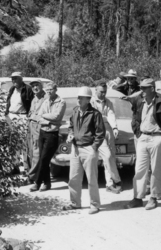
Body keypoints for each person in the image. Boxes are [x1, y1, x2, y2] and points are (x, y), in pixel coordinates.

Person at [126, 78, 161, 210]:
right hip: (143, 137)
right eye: (141, 88)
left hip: (157, 138)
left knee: (155, 169)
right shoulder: (139, 102)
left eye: (144, 88)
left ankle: (154, 197)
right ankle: (137, 198)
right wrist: (138, 133)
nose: (141, 90)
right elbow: (135, 118)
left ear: (152, 89)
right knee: (140, 169)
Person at [64, 86, 106, 214]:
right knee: (73, 178)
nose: (78, 99)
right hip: (76, 148)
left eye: (81, 97)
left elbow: (101, 133)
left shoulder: (95, 114)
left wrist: (94, 148)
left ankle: (94, 204)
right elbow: (71, 126)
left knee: (92, 179)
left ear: (88, 99)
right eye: (78, 97)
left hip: (89, 148)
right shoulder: (75, 111)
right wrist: (71, 134)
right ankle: (75, 203)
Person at [30, 82, 66, 193]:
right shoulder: (45, 101)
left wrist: (44, 117)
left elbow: (57, 116)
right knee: (42, 158)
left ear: (56, 90)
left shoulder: (61, 102)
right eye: (47, 90)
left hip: (52, 133)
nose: (49, 92)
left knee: (44, 158)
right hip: (43, 132)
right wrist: (48, 120)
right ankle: (47, 183)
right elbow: (38, 117)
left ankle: (37, 182)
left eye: (51, 89)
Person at [92, 84, 123, 194]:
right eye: (101, 91)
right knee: (107, 155)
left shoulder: (108, 102)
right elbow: (94, 117)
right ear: (95, 90)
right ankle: (116, 180)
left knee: (111, 157)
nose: (103, 94)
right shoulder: (91, 102)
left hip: (108, 128)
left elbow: (111, 114)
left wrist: (114, 127)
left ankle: (110, 183)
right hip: (96, 131)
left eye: (105, 91)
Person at [25, 80, 47, 182]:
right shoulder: (34, 98)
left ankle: (32, 176)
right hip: (31, 126)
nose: (35, 88)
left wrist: (34, 117)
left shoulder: (45, 98)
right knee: (31, 152)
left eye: (37, 85)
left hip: (39, 127)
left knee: (37, 153)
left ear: (41, 86)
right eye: (33, 86)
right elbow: (31, 113)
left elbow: (44, 115)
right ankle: (33, 174)